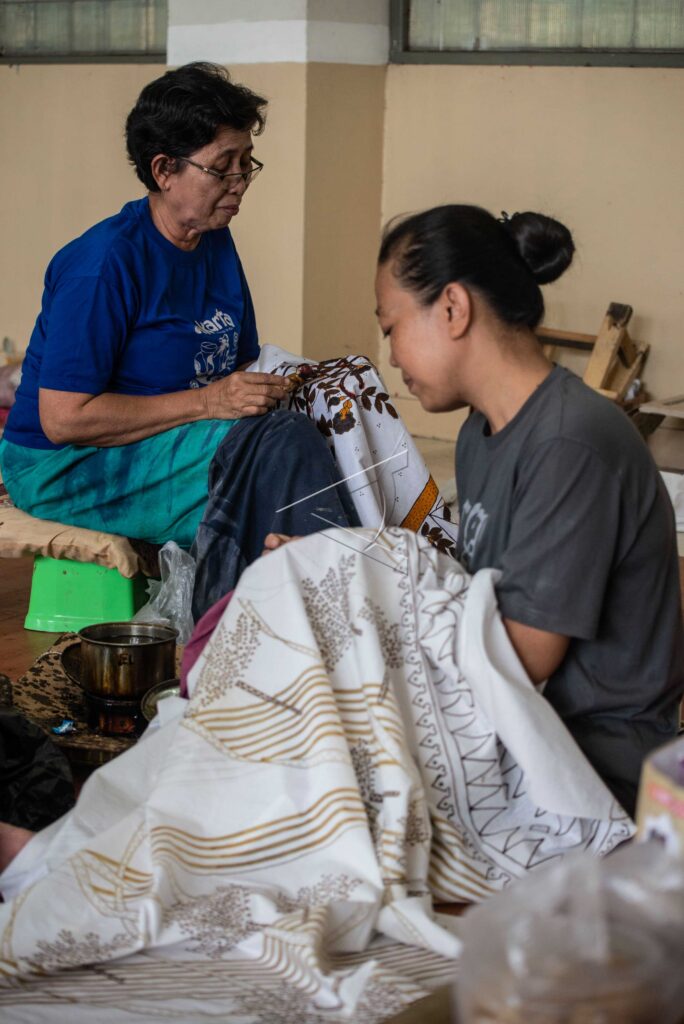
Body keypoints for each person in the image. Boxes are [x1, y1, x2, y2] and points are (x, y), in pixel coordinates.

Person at [0, 62, 358, 604]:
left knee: (325, 420)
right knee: (271, 457)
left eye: (246, 165)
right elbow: (64, 418)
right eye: (222, 168)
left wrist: (284, 384)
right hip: (64, 466)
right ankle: (257, 636)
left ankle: (299, 620)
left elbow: (239, 364)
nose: (239, 184)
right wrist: (210, 402)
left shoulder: (214, 242)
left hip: (170, 441)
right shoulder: (103, 265)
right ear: (164, 169)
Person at [374, 203, 684, 815]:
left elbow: (522, 655)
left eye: (392, 328)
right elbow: (481, 596)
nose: (392, 357)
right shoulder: (479, 434)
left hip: (590, 769)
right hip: (521, 733)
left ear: (454, 309)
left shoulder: (571, 442)